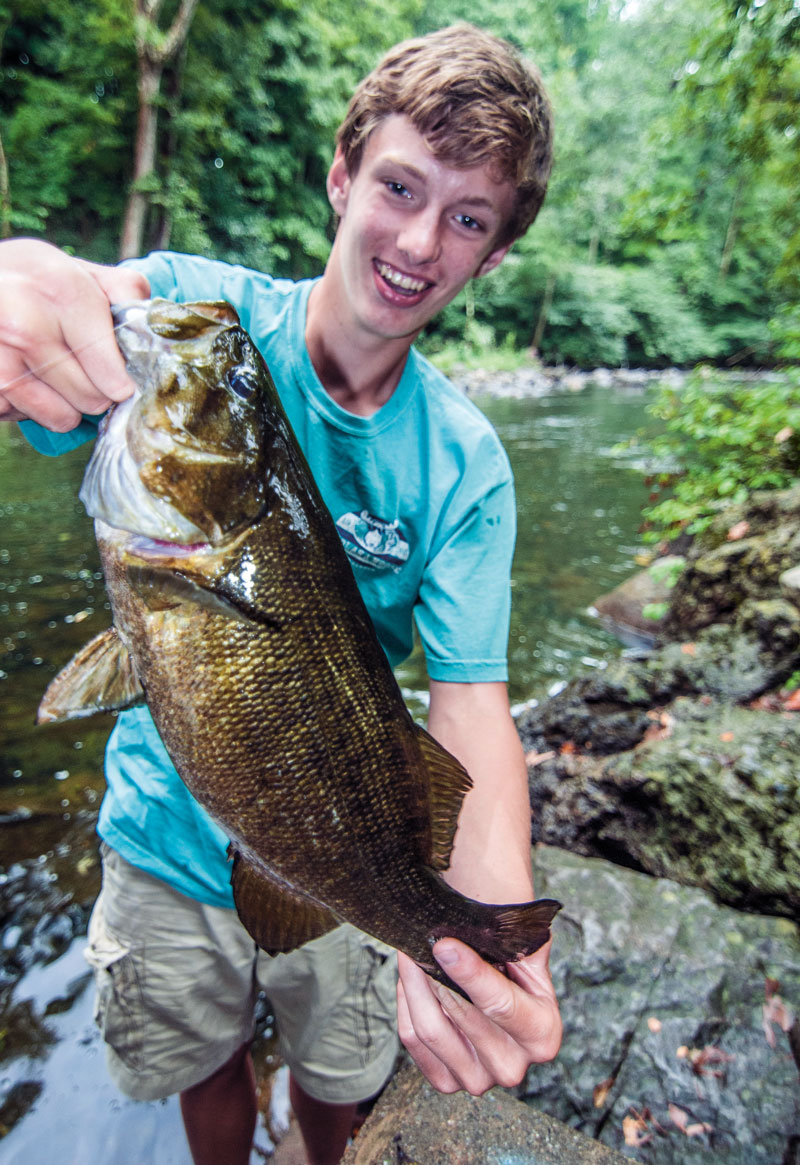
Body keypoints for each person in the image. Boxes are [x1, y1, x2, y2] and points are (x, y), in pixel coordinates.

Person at [0, 23, 561, 1165]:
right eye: (397, 187)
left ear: (492, 255)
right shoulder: (205, 324)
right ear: (341, 175)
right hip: (160, 841)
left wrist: (478, 942)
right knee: (201, 1066)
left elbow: (467, 712)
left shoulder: (465, 466)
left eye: (464, 218)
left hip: (341, 852)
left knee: (335, 1085)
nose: (416, 239)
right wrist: (21, 280)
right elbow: (71, 301)